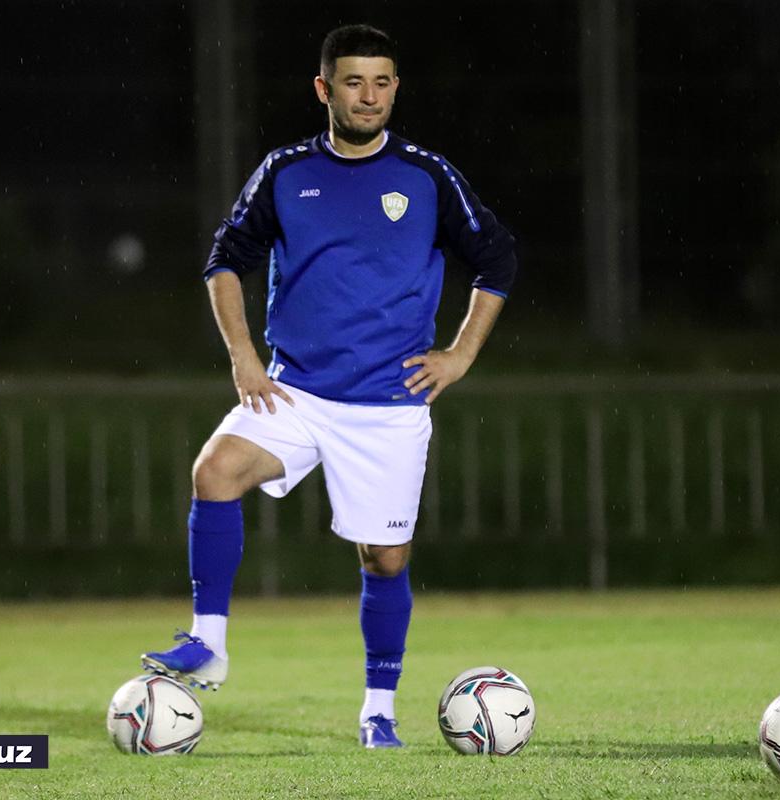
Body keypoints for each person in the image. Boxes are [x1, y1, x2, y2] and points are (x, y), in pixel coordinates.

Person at [142, 24, 517, 749]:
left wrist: (461, 354)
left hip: (389, 406)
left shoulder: (426, 175)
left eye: (381, 81)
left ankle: (378, 709)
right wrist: (244, 359)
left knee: (384, 560)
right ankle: (208, 638)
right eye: (353, 81)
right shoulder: (285, 171)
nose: (368, 95)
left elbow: (497, 260)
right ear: (324, 89)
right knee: (214, 472)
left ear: (396, 88)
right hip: (297, 393)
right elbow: (225, 261)